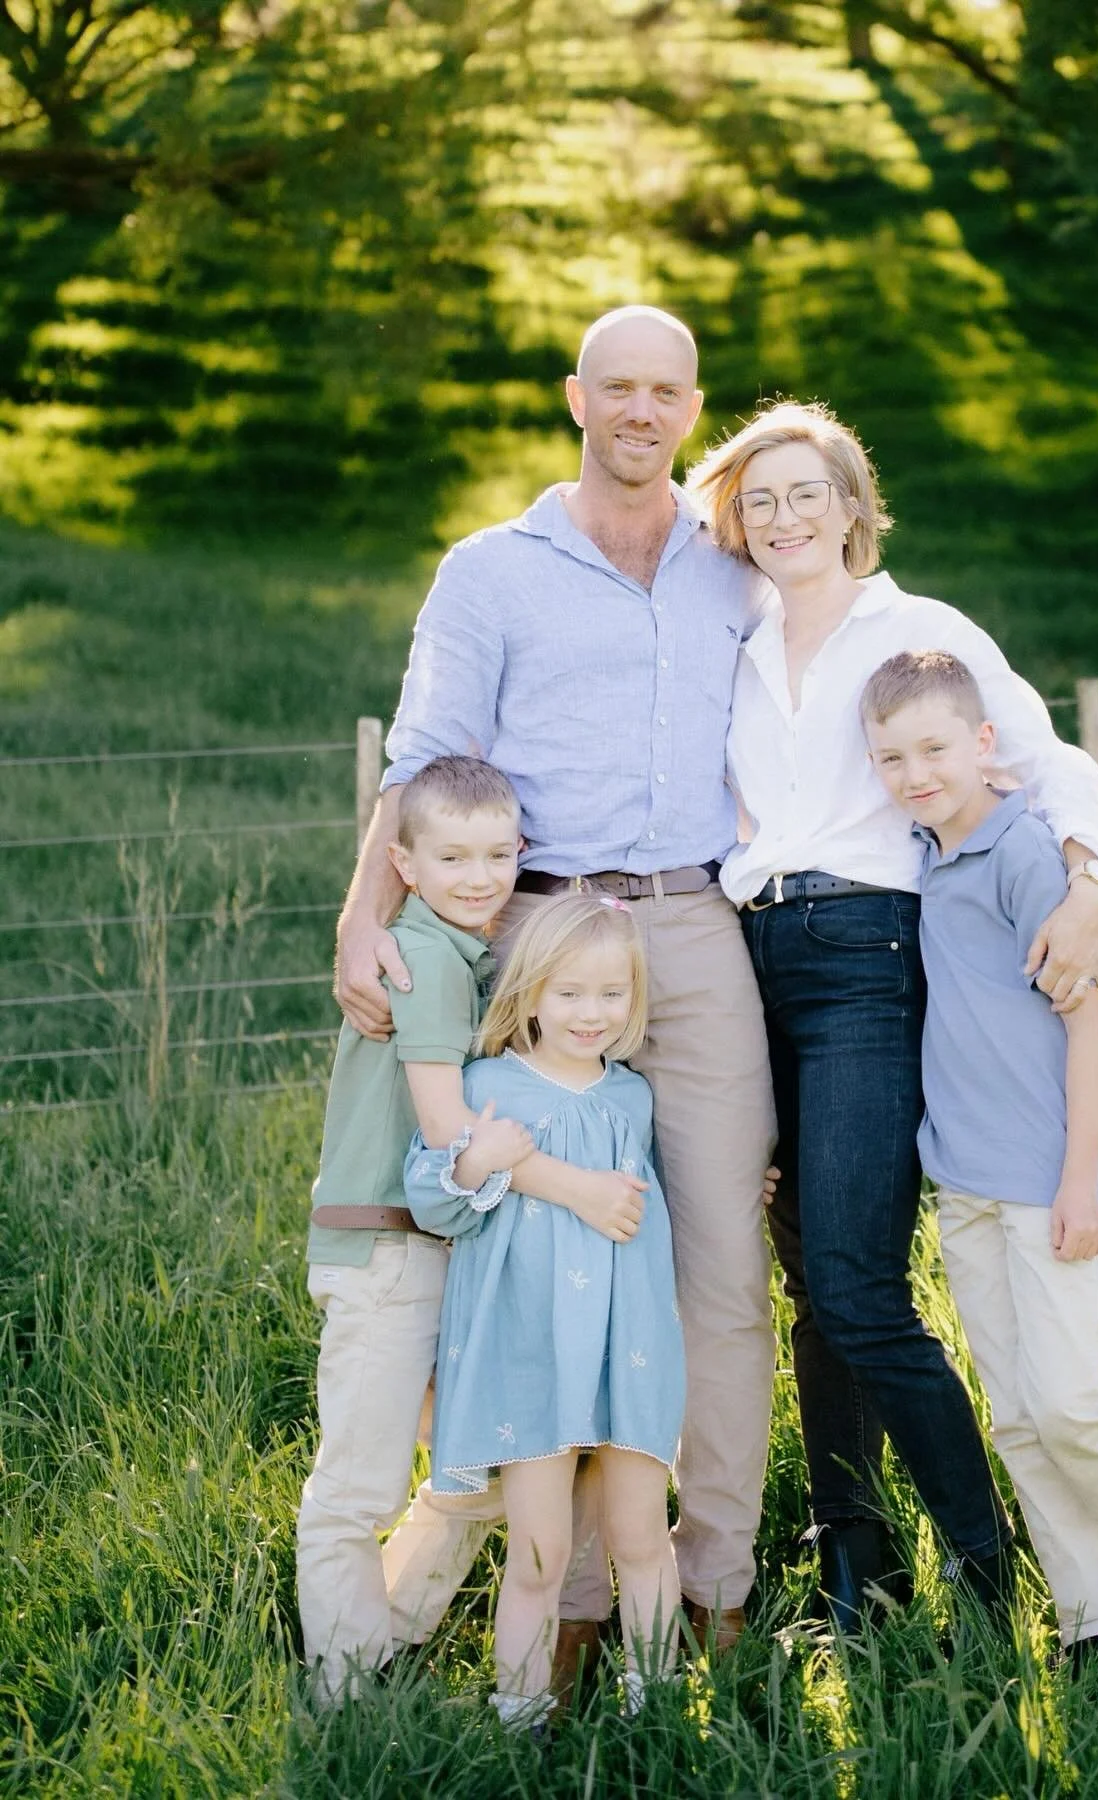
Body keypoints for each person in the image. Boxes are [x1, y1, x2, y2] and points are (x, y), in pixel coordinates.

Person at [333, 306, 778, 1660]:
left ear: (691, 410)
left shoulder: (734, 571)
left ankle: (708, 1583)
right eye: (618, 387)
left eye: (667, 391)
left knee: (716, 1263)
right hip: (538, 931)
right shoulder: (491, 571)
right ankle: (569, 1597)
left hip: (694, 926)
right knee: (543, 1258)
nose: (642, 411)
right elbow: (423, 757)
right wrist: (366, 913)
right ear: (576, 398)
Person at [686, 400, 1098, 1631]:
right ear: (738, 518)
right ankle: (854, 1546)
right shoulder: (730, 638)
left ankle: (984, 1562)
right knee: (803, 1269)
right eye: (760, 499)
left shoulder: (920, 630)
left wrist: (1096, 888)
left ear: (852, 505)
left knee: (855, 1281)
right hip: (748, 956)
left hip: (864, 959)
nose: (784, 518)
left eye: (808, 493)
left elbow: (1048, 761)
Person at [861, 649, 1098, 1677]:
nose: (915, 773)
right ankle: (1091, 1620)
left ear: (984, 745)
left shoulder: (1029, 859)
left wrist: (1079, 1181)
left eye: (935, 748)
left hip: (1047, 1181)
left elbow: (1090, 1024)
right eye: (891, 757)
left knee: (1068, 1399)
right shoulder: (928, 853)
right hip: (964, 1183)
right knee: (1017, 1416)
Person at [298, 754, 645, 1701]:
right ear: (404, 863)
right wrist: (576, 1186)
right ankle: (347, 1697)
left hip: (436, 1245)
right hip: (384, 1245)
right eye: (452, 856)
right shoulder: (422, 958)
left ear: (523, 852)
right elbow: (453, 1132)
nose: (480, 876)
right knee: (356, 1489)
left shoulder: (467, 956)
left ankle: (386, 1638)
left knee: (479, 1479)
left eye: (498, 854)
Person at [405, 895, 685, 1725]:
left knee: (641, 1538)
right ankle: (519, 1719)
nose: (590, 1014)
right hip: (532, 1353)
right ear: (528, 992)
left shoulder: (631, 1097)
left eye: (611, 995)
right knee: (539, 1553)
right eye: (569, 994)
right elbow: (433, 1194)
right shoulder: (488, 1088)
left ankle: (658, 1710)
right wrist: (472, 1164)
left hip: (627, 1343)